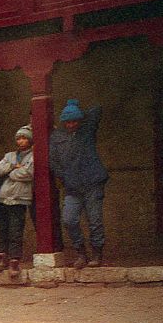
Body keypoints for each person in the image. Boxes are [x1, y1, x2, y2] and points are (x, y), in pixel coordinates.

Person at [49, 99, 108, 268]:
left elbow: (97, 108)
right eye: (67, 121)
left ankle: (97, 254)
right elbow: (53, 162)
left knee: (94, 220)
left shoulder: (87, 131)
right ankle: (81, 253)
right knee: (69, 220)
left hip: (93, 183)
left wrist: (77, 110)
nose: (71, 124)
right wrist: (65, 176)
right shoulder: (57, 137)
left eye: (74, 121)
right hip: (72, 187)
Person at [0, 125, 35, 278]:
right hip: (3, 197)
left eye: (24, 138)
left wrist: (10, 172)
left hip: (19, 198)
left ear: (30, 140)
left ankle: (14, 261)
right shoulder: (10, 155)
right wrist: (12, 166)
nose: (21, 141)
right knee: (2, 229)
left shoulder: (33, 155)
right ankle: (2, 259)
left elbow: (28, 173)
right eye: (19, 138)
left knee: (15, 230)